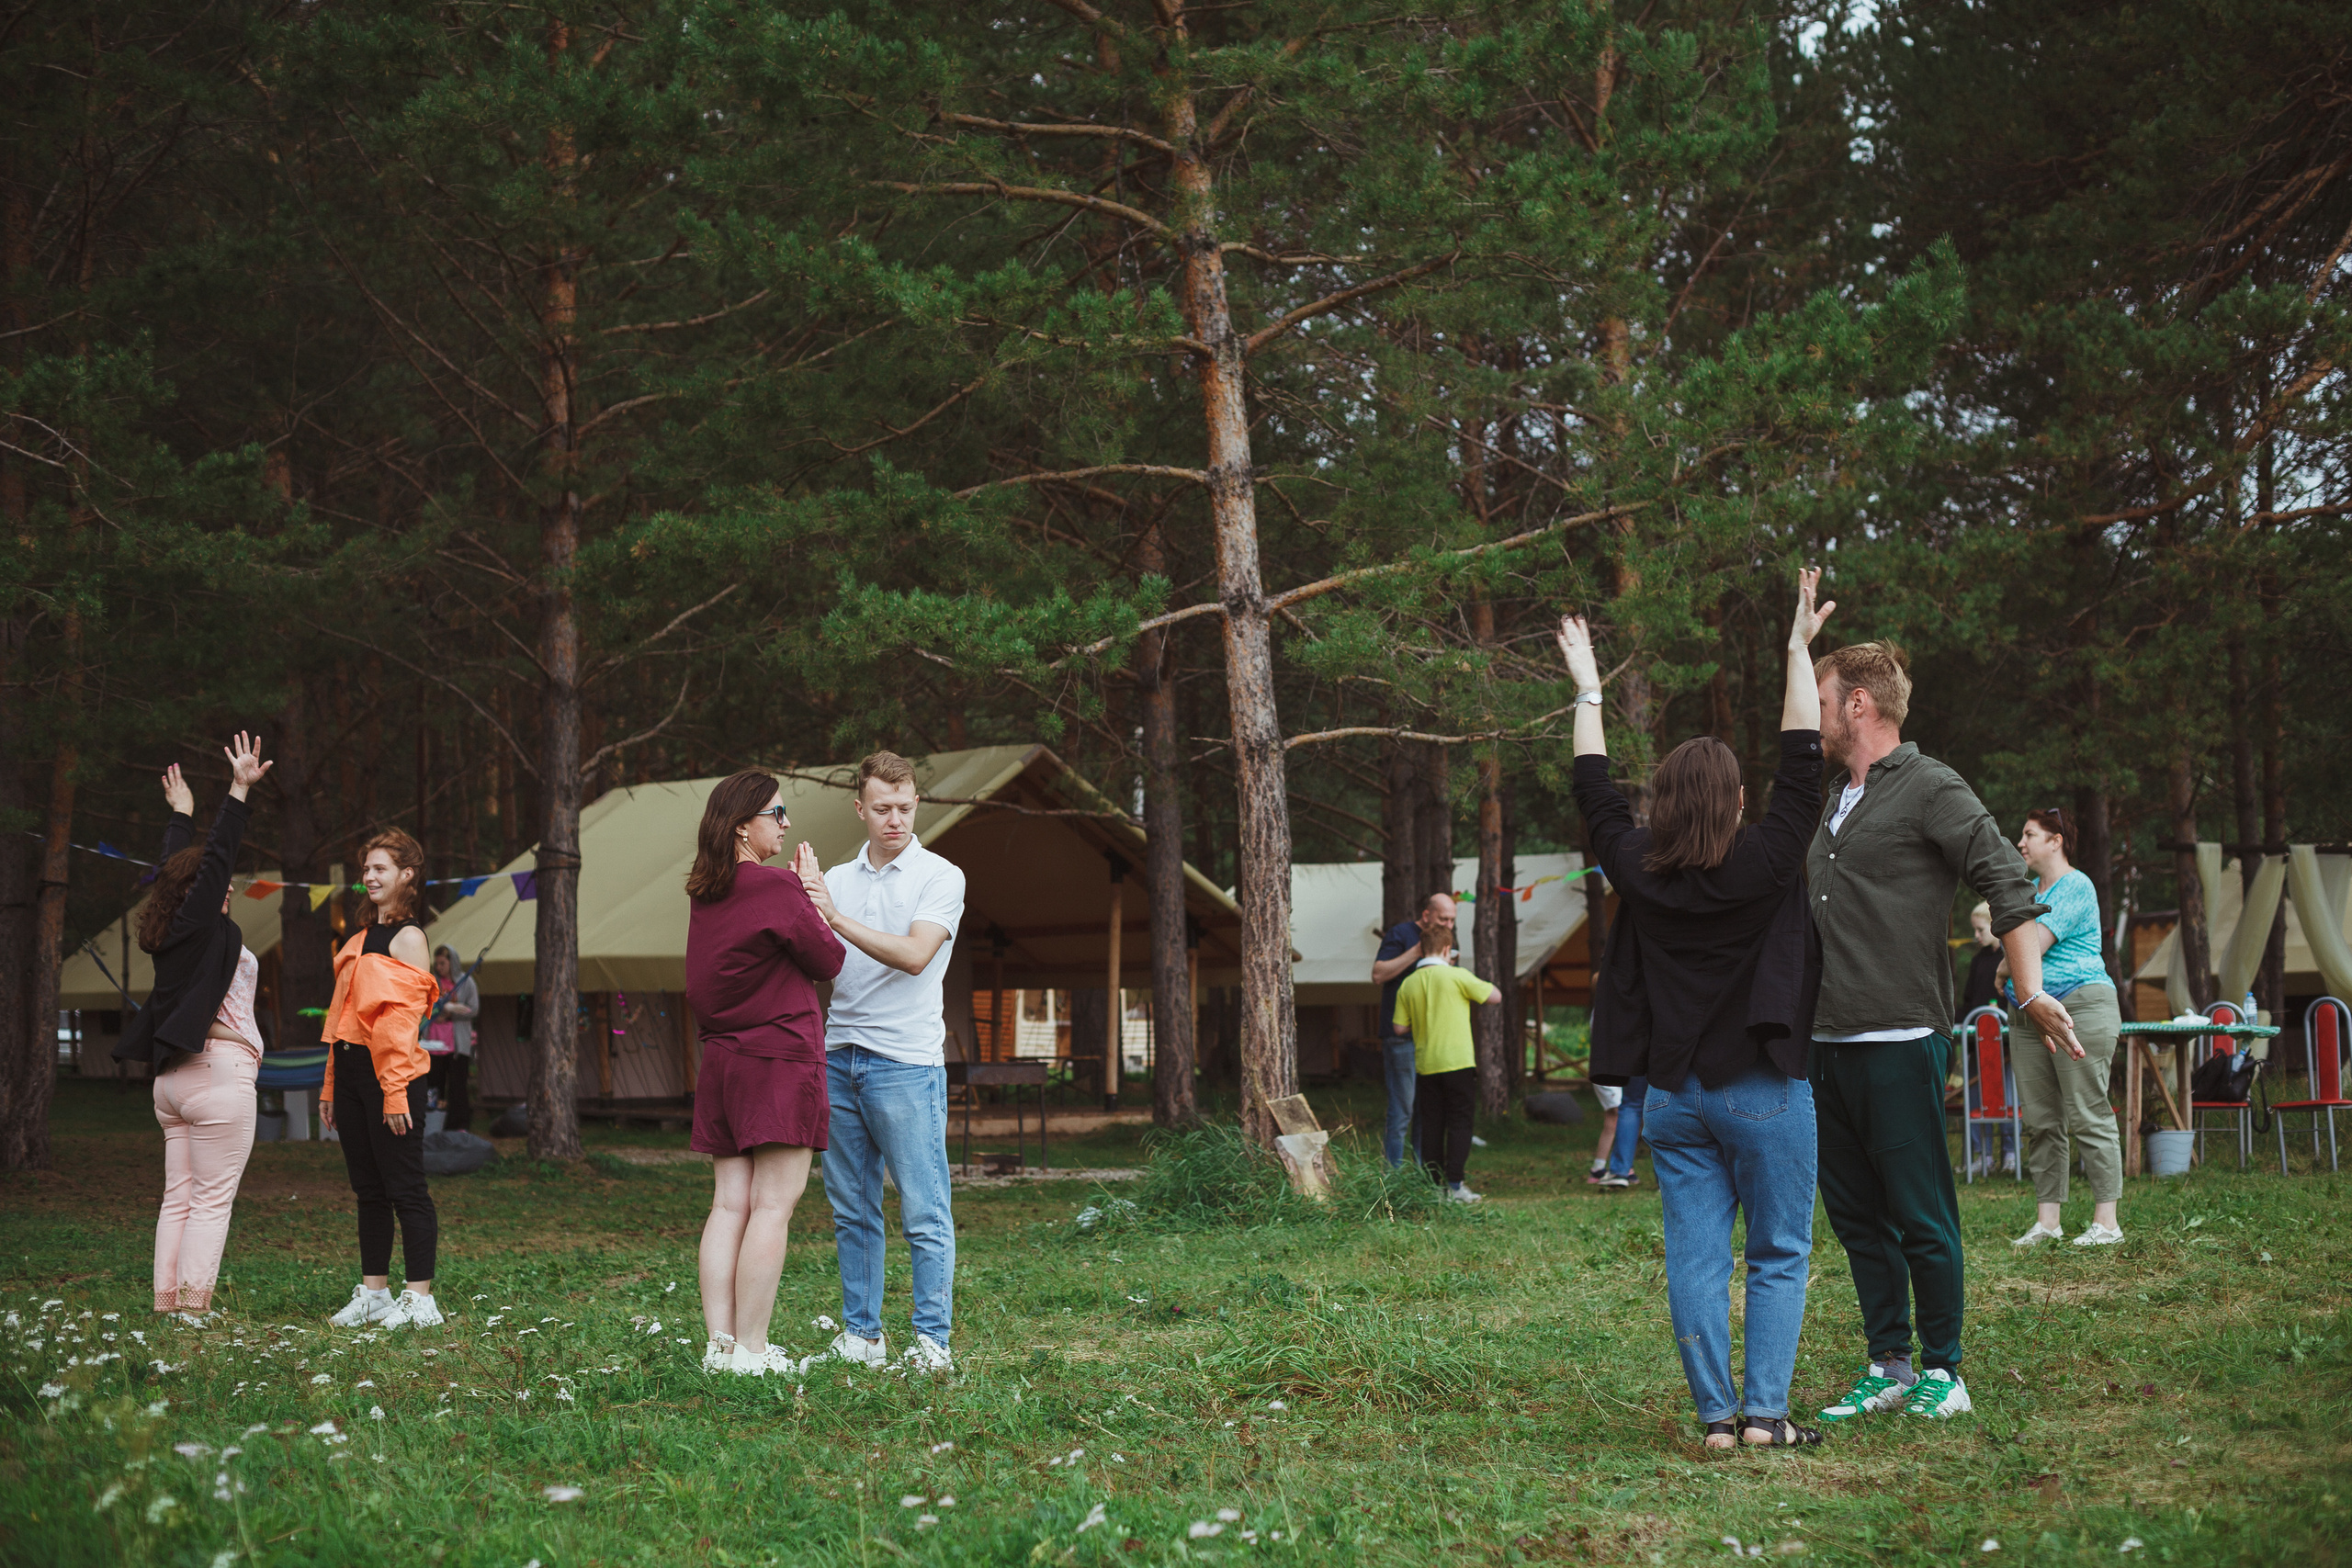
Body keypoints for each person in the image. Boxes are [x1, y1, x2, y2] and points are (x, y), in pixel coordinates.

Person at [1563, 570, 1834, 1449]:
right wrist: (1795, 648)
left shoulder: (1641, 869)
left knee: (1696, 1260)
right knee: (1780, 1251)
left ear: (1667, 807)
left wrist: (1590, 690)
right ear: (1739, 802)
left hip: (1674, 1097)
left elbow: (1595, 794)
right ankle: (1765, 1419)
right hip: (1762, 1086)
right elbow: (1802, 761)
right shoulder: (1765, 860)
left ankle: (1717, 1420)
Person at [1806, 639, 2081, 1426]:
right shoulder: (1833, 797)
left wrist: (2028, 987)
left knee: (1920, 1211)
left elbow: (2004, 876)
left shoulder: (1930, 784)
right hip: (1825, 1043)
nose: (1814, 716)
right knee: (1857, 1215)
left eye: (1823, 699)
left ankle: (1944, 1369)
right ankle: (1888, 1362)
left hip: (1899, 1036)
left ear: (1859, 702)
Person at [800, 751, 967, 1374]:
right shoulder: (837, 879)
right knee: (851, 1206)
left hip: (907, 1063)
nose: (894, 818)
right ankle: (863, 1336)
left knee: (923, 1208)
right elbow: (815, 959)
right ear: (860, 808)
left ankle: (932, 1344)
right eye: (882, 808)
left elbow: (917, 954)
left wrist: (833, 916)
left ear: (916, 803)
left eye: (904, 807)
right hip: (839, 1054)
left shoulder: (940, 875)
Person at [684, 771, 846, 1376]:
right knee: (774, 1204)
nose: (785, 822)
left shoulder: (706, 894)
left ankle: (720, 1347)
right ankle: (752, 1350)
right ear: (741, 825)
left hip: (722, 1064)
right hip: (778, 1059)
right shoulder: (776, 888)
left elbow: (701, 985)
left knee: (730, 1204)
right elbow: (830, 958)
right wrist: (810, 894)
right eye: (776, 812)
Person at [117, 736, 274, 1321]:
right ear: (197, 895)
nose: (227, 887)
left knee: (178, 1200)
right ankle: (193, 1317)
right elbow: (215, 862)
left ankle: (169, 1311)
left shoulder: (171, 933)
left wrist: (180, 817)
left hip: (172, 1085)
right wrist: (237, 789)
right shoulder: (205, 924)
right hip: (217, 1079)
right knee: (209, 1203)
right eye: (217, 886)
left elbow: (176, 873)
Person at [320, 828, 445, 1329]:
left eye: (380, 869)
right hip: (350, 1072)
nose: (369, 877)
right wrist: (331, 1085)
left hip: (391, 1078)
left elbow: (398, 1024)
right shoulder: (357, 939)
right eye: (366, 869)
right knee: (367, 1189)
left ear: (406, 875)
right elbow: (340, 1019)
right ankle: (374, 1294)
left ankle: (420, 1300)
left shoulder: (409, 938)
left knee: (405, 1186)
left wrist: (394, 1092)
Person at [2003, 808, 2125, 1247]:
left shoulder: (2076, 884)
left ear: (2056, 841)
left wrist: (2003, 970)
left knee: (2087, 1111)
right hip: (2029, 1013)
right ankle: (2048, 1222)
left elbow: (2029, 946)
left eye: (2029, 834)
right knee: (2041, 1120)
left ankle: (2107, 1223)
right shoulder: (2030, 891)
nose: (2021, 842)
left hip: (2081, 1006)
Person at [1391, 942, 1495, 1201]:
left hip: (1427, 1063)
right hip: (1458, 1062)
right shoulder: (1457, 975)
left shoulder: (1409, 984)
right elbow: (1495, 996)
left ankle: (1435, 1187)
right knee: (1460, 1121)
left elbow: (1399, 1028)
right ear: (1448, 949)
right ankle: (1456, 1184)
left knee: (1431, 1124)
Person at [1370, 892, 1457, 1169]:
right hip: (1401, 1037)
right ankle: (1392, 1178)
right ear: (1426, 915)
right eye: (1443, 918)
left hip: (1431, 1039)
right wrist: (1418, 952)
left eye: (1453, 920)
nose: (1448, 925)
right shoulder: (1401, 934)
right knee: (1402, 1110)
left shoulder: (1448, 938)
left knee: (1426, 1111)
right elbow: (1378, 974)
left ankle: (1421, 1178)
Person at [423, 945, 480, 1132]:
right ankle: (434, 1125)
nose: (439, 967)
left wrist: (451, 1014)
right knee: (434, 1086)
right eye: (436, 963)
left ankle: (459, 1126)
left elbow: (474, 1008)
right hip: (433, 1044)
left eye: (443, 963)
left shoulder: (465, 982)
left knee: (457, 1087)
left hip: (456, 1044)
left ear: (452, 962)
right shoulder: (432, 983)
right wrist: (445, 1009)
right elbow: (424, 1006)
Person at [1587, 1083, 1621, 1185]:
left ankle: (1598, 1168)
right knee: (1620, 1112)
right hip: (1610, 1073)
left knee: (1614, 1118)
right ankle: (1620, 1167)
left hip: (1624, 1074)